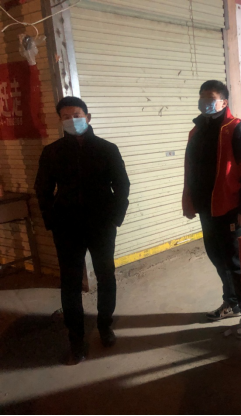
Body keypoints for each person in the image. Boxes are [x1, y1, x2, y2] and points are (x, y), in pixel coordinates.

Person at [35, 96, 130, 365]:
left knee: (105, 276)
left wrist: (115, 218)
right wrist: (52, 221)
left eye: (76, 115)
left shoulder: (107, 149)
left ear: (87, 117)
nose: (72, 120)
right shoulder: (52, 152)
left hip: (101, 225)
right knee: (70, 283)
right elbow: (42, 190)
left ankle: (105, 325)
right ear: (60, 121)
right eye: (65, 117)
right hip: (67, 227)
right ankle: (75, 340)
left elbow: (122, 185)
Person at [182, 80, 241, 322]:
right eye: (202, 97)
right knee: (217, 257)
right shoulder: (197, 131)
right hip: (208, 208)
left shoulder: (238, 130)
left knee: (235, 262)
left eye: (210, 98)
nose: (205, 102)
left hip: (231, 209)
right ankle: (232, 303)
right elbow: (191, 171)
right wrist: (189, 201)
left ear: (224, 102)